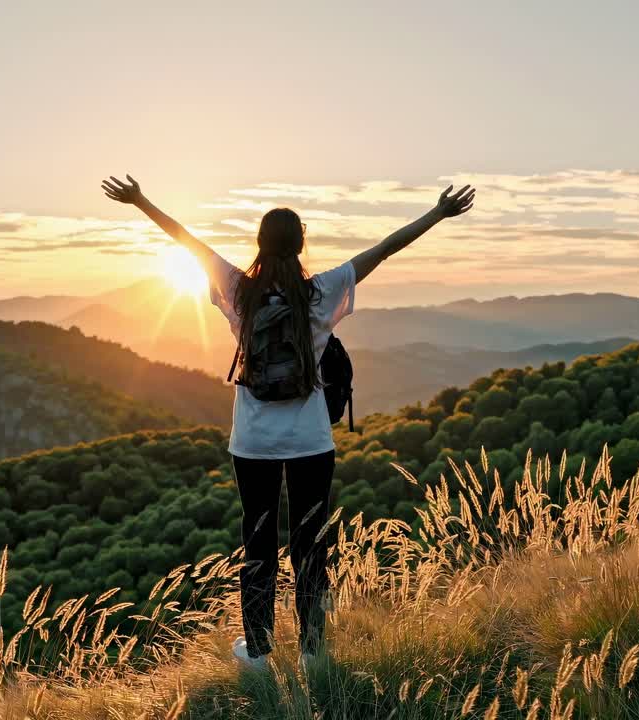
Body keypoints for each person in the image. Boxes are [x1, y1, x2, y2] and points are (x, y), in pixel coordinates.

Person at [101, 174, 476, 672]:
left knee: (258, 542)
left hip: (252, 443)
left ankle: (257, 653)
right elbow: (384, 249)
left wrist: (140, 200)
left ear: (259, 243)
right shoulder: (321, 292)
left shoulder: (239, 290)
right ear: (301, 245)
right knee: (310, 543)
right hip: (310, 441)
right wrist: (437, 213)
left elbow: (188, 242)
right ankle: (313, 653)